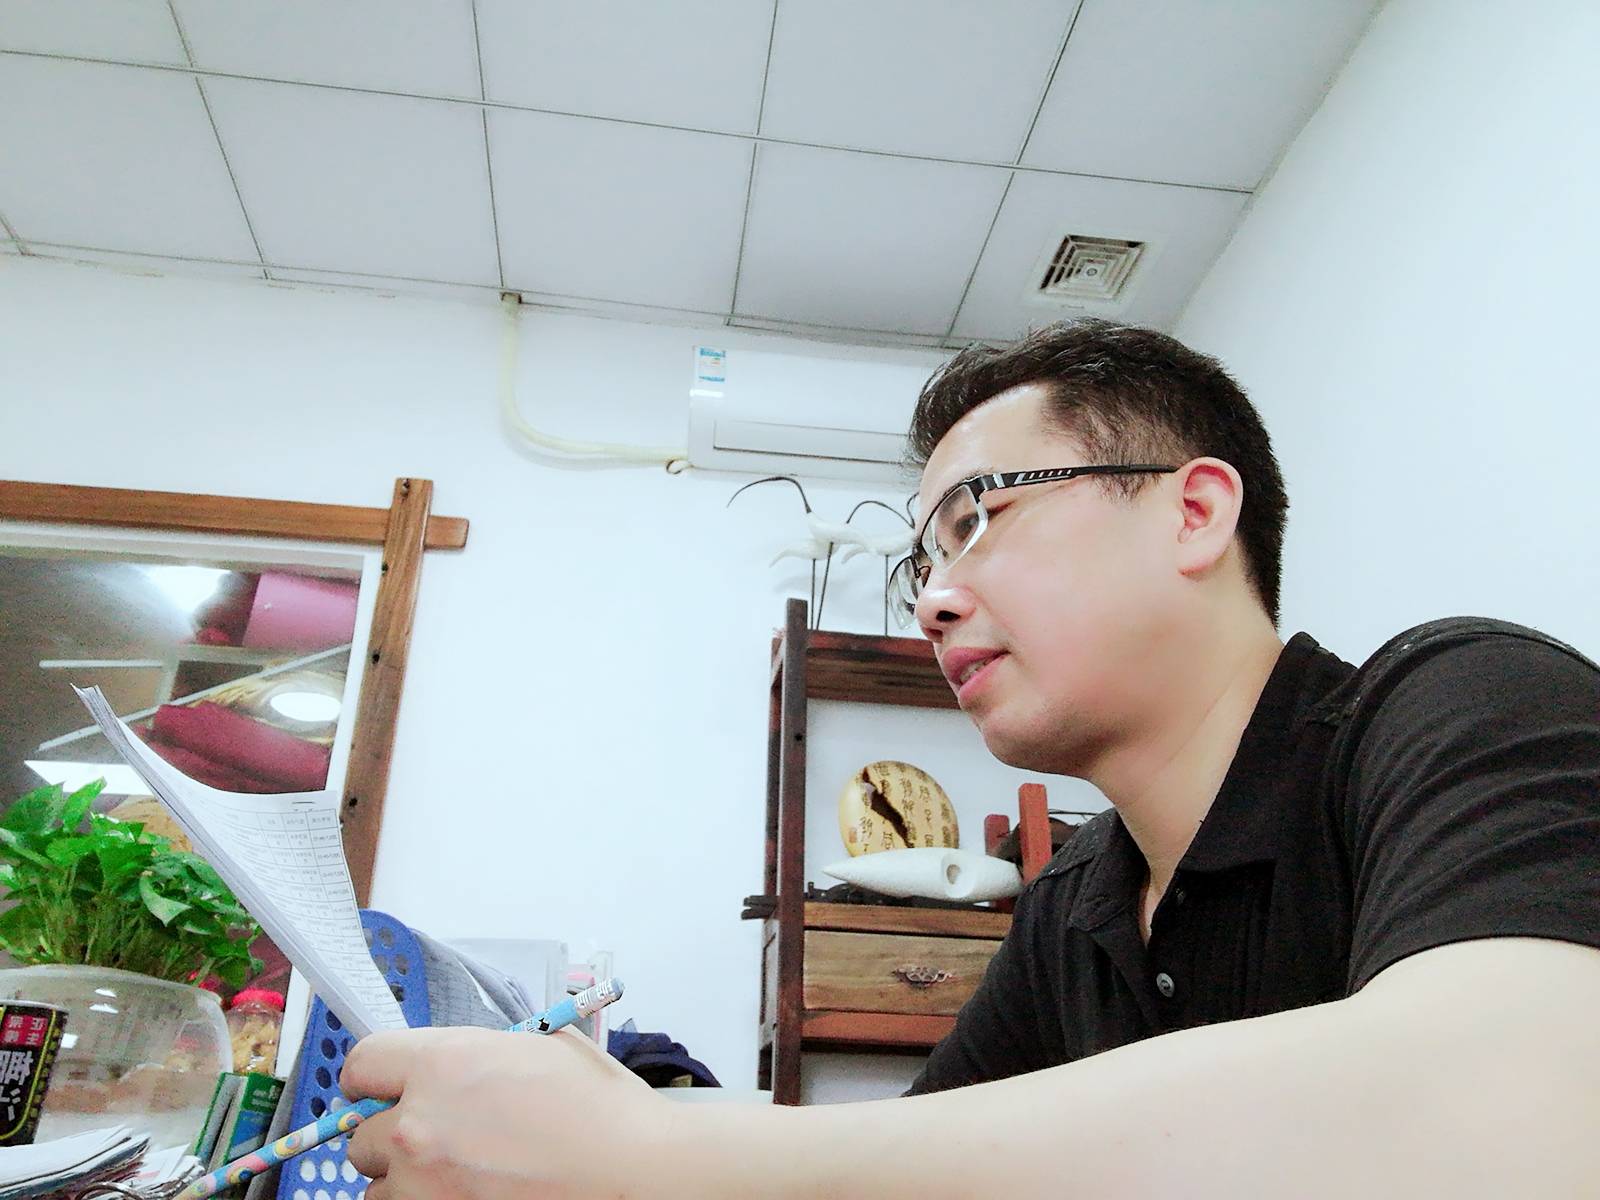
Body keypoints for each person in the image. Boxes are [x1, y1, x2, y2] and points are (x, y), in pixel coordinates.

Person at [341, 321, 1600, 1198]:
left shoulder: (1457, 707)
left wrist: (657, 1158)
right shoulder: (1074, 905)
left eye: (978, 519)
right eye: (924, 559)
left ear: (1193, 511)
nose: (933, 598)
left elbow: (1518, 1123)